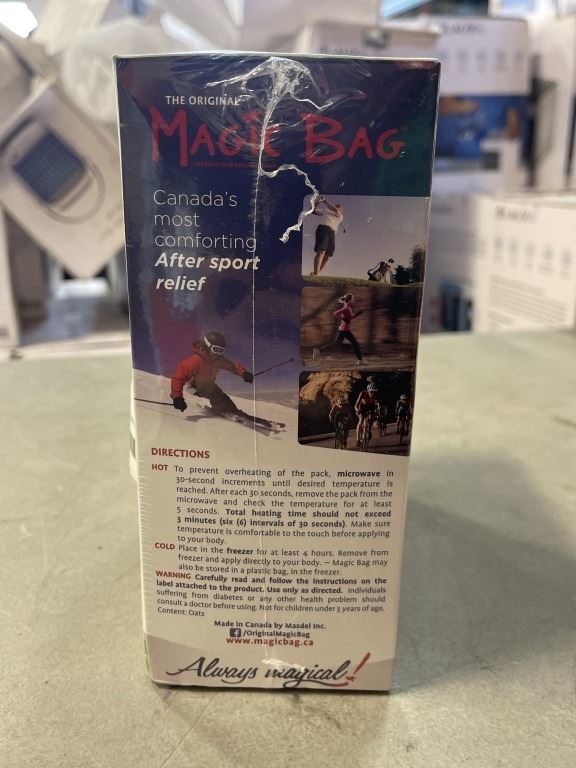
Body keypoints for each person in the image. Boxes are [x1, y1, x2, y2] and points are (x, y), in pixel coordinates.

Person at [170, 331, 253, 415]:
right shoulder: (195, 361)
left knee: (223, 397)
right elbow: (178, 379)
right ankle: (224, 411)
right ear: (207, 346)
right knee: (215, 395)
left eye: (221, 350)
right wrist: (177, 398)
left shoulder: (218, 360)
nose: (218, 353)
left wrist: (244, 374)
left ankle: (233, 412)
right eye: (216, 349)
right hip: (194, 387)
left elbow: (233, 367)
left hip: (208, 385)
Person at [315, 293, 363, 365]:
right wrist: (343, 319)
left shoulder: (348, 308)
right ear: (349, 300)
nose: (353, 300)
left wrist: (357, 314)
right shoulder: (346, 308)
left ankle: (318, 350)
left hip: (344, 330)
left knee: (336, 345)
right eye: (352, 299)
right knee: (354, 343)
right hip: (344, 330)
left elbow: (350, 318)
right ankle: (360, 360)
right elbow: (335, 313)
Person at [311, 196, 344, 275]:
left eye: (340, 208)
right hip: (323, 229)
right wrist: (318, 203)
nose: (338, 208)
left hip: (332, 233)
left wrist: (325, 201)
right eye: (337, 206)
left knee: (327, 256)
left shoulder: (340, 216)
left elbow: (336, 211)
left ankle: (316, 273)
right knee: (321, 251)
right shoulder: (325, 211)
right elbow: (312, 211)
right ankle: (316, 274)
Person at [354, 377, 379, 448]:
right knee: (361, 420)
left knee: (372, 417)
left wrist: (377, 412)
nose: (372, 393)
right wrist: (357, 410)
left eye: (374, 392)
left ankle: (368, 429)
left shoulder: (376, 395)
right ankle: (358, 439)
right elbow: (356, 404)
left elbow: (377, 405)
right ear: (368, 390)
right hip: (362, 406)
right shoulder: (363, 393)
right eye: (371, 392)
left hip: (370, 406)